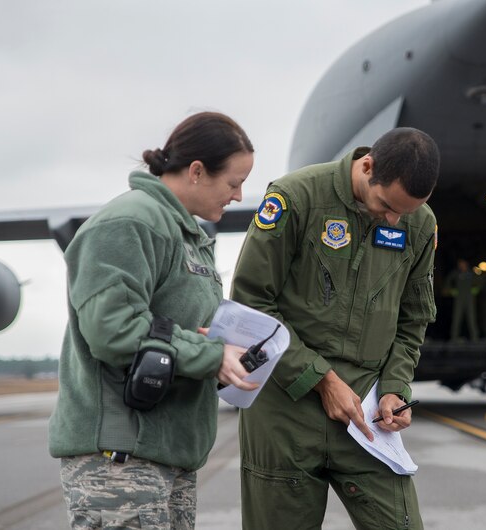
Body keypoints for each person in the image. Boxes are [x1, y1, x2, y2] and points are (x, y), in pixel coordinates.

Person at [48, 111, 258, 529]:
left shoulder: (187, 236)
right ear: (197, 171)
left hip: (166, 454)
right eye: (233, 183)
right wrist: (210, 354)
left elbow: (175, 326)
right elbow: (113, 331)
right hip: (121, 461)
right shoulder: (130, 223)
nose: (237, 196)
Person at [232, 127, 440, 529]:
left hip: (365, 415)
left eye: (406, 212)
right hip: (284, 409)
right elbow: (251, 304)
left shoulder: (419, 225)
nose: (394, 219)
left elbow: (413, 319)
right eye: (386, 204)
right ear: (367, 166)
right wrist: (321, 380)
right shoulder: (297, 198)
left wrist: (395, 388)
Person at [444, 258, 479, 341]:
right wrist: (451, 290)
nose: (461, 266)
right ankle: (454, 337)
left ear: (466, 264)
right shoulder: (456, 273)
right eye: (459, 264)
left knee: (471, 318)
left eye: (462, 264)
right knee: (457, 318)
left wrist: (476, 289)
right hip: (459, 299)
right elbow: (448, 280)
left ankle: (475, 338)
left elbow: (480, 281)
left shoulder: (471, 273)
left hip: (469, 299)